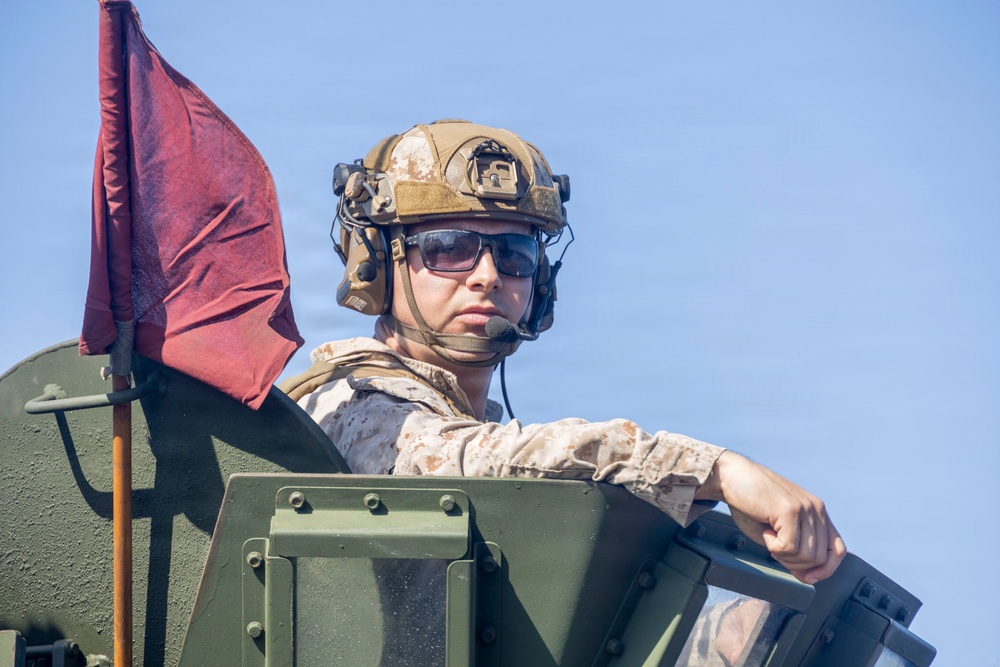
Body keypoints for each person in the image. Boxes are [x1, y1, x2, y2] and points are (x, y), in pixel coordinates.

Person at [287, 119, 845, 586]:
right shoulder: (350, 403)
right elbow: (464, 464)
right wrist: (714, 470)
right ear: (380, 263)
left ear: (541, 281)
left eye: (514, 254)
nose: (486, 277)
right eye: (449, 248)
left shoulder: (483, 435)